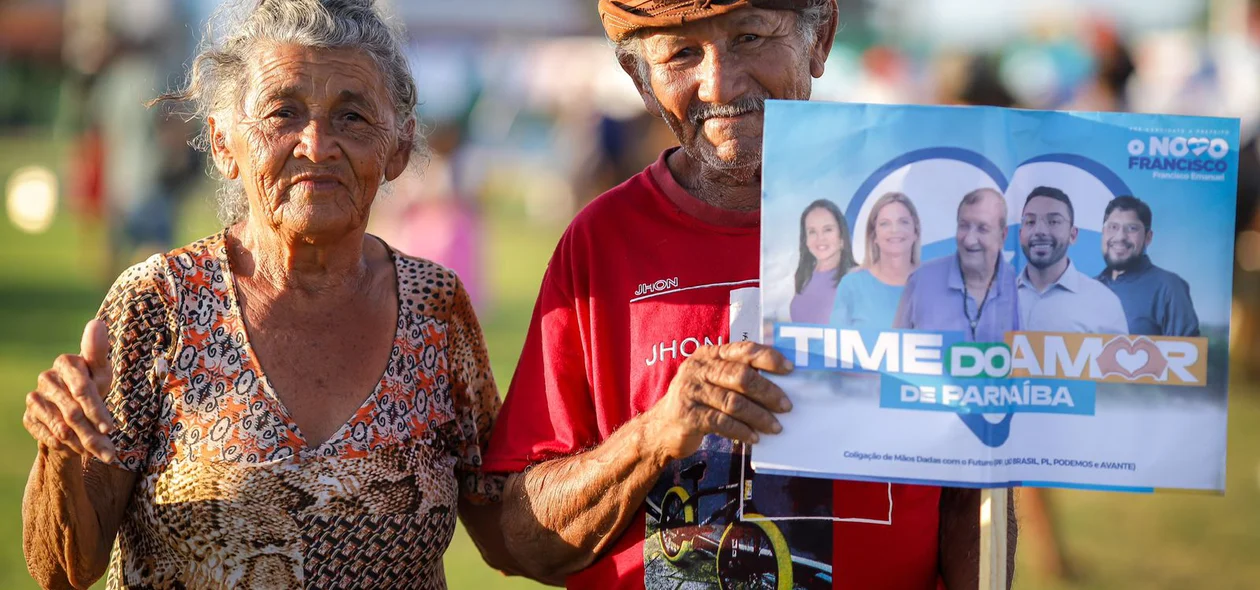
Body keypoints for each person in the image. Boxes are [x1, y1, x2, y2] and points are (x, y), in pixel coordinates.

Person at [484, 1, 1015, 589]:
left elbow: (974, 496)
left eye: (750, 37)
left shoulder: (924, 217)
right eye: (682, 53)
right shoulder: (599, 243)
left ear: (820, 40)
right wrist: (653, 435)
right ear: (640, 79)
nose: (720, 82)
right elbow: (524, 544)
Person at [20, 2, 520, 587]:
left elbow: (506, 528)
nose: (316, 144)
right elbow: (61, 570)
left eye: (352, 117)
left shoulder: (436, 307)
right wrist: (60, 452)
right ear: (224, 143)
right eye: (283, 111)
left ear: (400, 148)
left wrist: (633, 452)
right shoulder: (158, 304)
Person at [894, 187, 1020, 447]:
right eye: (964, 226)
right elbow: (891, 361)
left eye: (982, 229)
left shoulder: (1021, 288)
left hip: (1000, 450)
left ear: (1003, 235)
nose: (969, 239)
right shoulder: (921, 281)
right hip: (928, 444)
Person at [1017, 185, 1128, 334]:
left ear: (1073, 235)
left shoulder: (1104, 301)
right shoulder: (996, 297)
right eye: (1030, 222)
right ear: (1020, 234)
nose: (1040, 231)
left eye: (1053, 222)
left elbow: (1116, 357)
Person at [1097, 195, 1200, 336]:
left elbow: (1187, 354)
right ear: (1103, 233)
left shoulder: (1169, 287)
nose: (1120, 237)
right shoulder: (1089, 287)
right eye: (1113, 227)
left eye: (1132, 228)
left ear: (1148, 237)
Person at [832, 191, 921, 328]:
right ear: (874, 236)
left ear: (915, 232)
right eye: (885, 224)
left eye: (903, 222)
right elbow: (834, 346)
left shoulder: (933, 284)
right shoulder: (851, 285)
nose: (894, 230)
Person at [789, 199, 856, 323]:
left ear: (841, 235)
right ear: (806, 239)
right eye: (812, 231)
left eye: (828, 229)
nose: (820, 238)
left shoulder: (857, 278)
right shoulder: (803, 276)